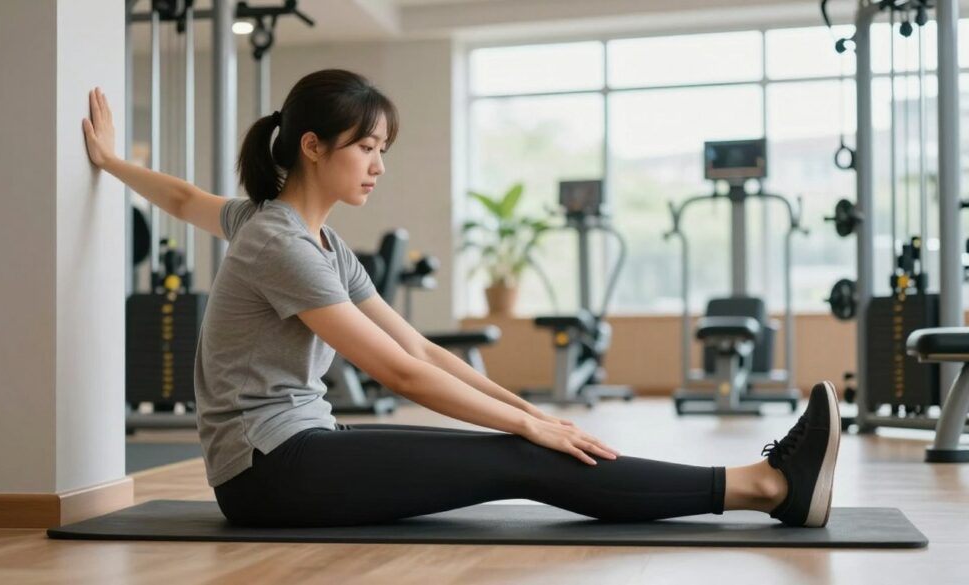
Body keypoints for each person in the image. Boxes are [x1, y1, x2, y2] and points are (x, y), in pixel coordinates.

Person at [82, 69, 841, 529]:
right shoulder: (274, 239)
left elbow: (418, 347)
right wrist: (525, 425)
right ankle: (766, 486)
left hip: (299, 449)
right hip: (267, 472)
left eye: (384, 149)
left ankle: (766, 485)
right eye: (365, 147)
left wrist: (530, 411)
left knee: (526, 445)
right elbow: (401, 377)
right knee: (520, 460)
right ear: (313, 146)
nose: (377, 165)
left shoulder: (310, 238)